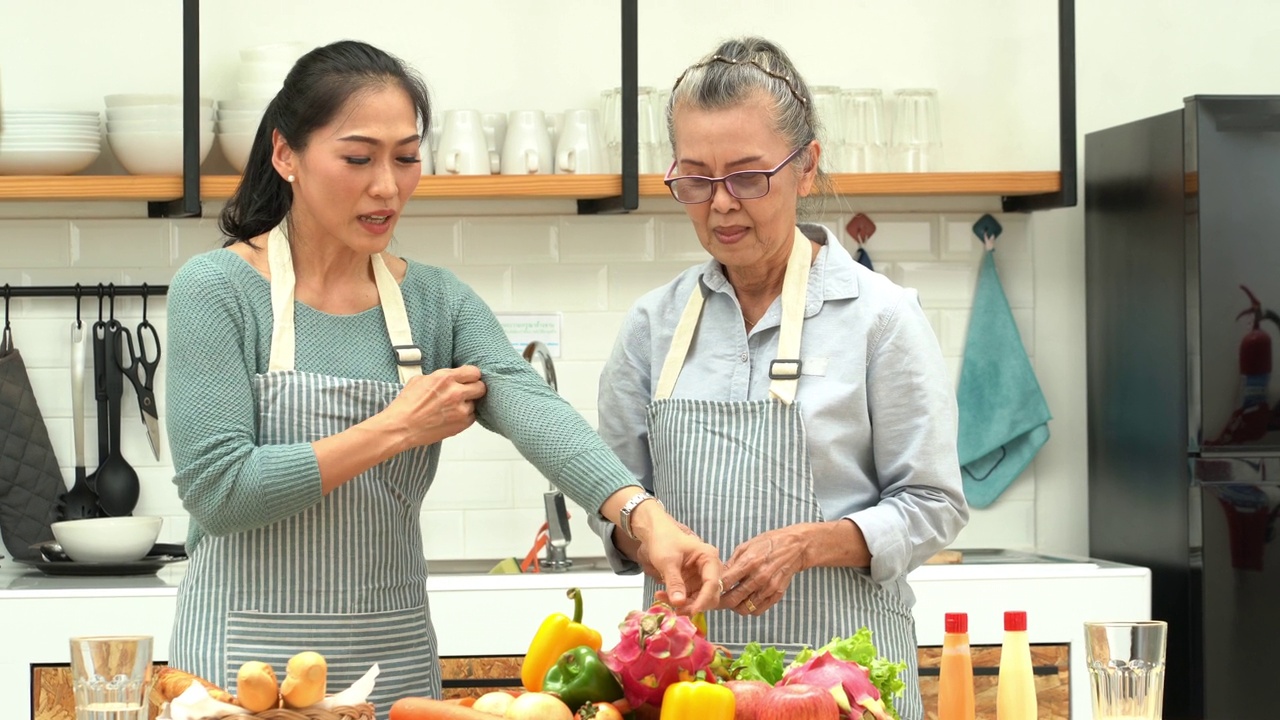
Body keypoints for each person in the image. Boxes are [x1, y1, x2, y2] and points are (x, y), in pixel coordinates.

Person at [164, 40, 722, 711]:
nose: (387, 186)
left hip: (391, 669)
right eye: (358, 157)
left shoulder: (435, 303)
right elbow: (220, 491)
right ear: (286, 155)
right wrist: (398, 426)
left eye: (405, 157)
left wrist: (644, 516)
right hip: (241, 678)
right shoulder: (218, 290)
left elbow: (534, 410)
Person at [590, 37, 969, 720]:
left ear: (806, 166)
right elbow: (614, 500)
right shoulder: (653, 325)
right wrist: (644, 537)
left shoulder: (881, 318)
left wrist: (806, 545)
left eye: (748, 176)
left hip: (851, 687)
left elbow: (933, 504)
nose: (722, 204)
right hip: (688, 695)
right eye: (697, 180)